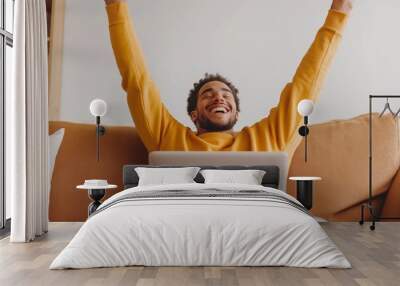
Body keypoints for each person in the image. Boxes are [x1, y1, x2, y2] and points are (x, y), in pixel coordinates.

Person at [104, 0, 353, 152]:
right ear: (193, 114)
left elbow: (306, 85)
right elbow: (137, 80)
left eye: (226, 95)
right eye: (208, 94)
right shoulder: (167, 135)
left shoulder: (270, 136)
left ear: (236, 113)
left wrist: (339, 12)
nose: (219, 98)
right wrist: (115, 6)